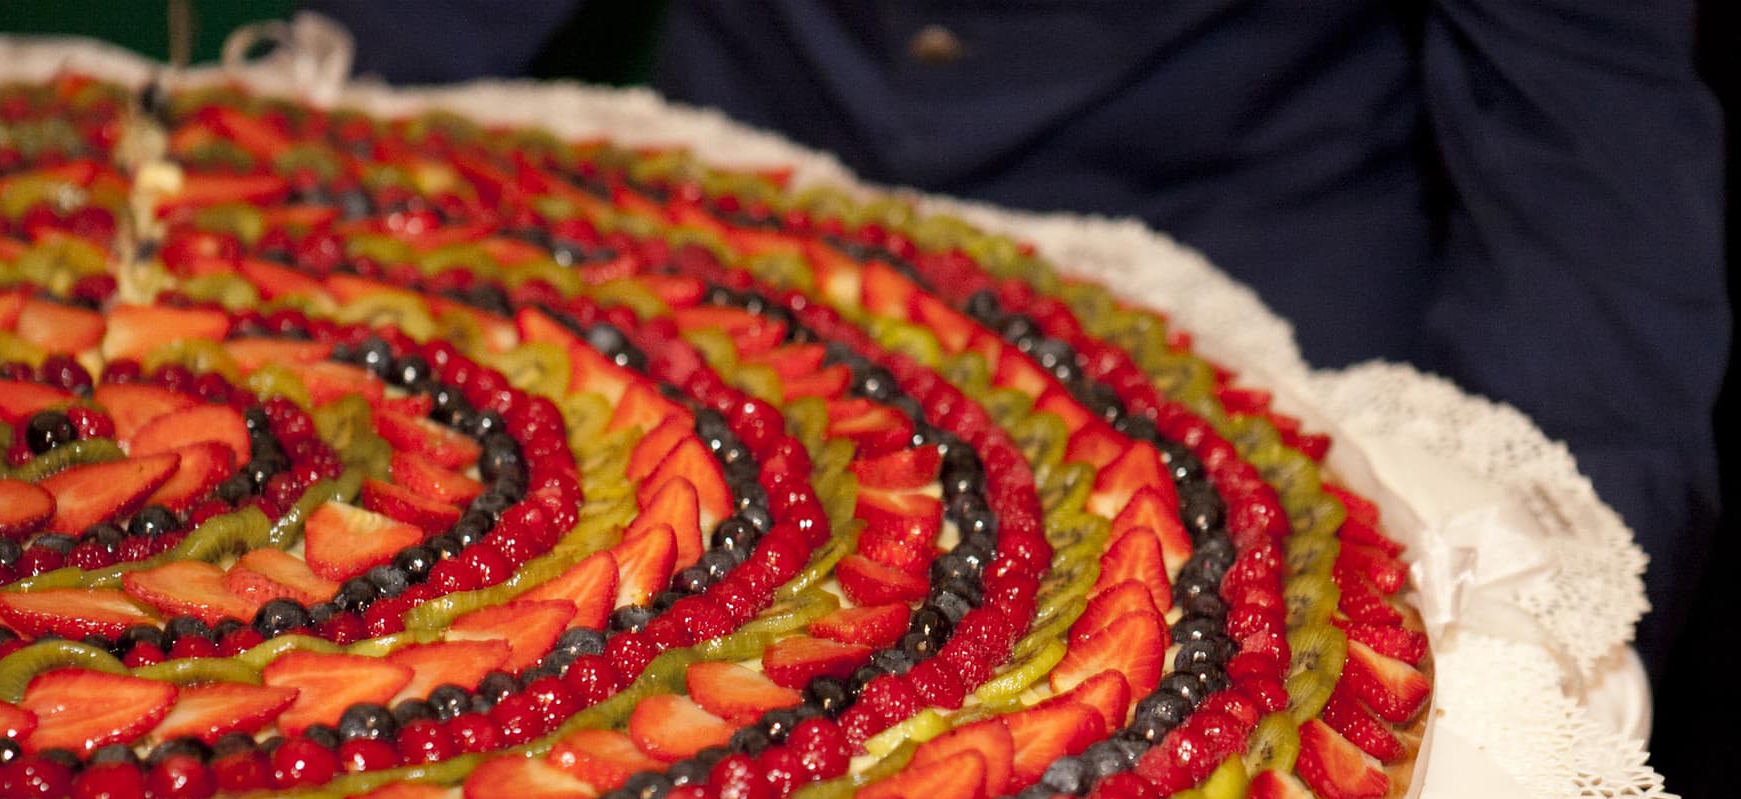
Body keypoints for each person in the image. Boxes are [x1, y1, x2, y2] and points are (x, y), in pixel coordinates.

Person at [321, 0, 1728, 669]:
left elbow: (1589, 134)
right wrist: (331, 177)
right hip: (729, 239)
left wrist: (1553, 589)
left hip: (1250, 289)